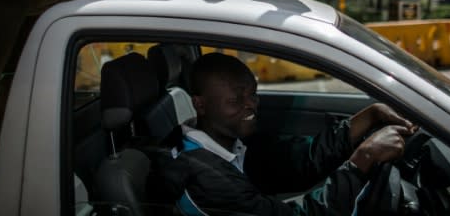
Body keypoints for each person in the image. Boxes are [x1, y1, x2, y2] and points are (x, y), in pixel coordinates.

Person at [159, 52, 418, 215]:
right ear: (200, 104)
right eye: (236, 99)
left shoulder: (228, 142)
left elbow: (301, 159)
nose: (250, 104)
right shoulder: (204, 177)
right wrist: (363, 159)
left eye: (252, 94)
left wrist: (369, 117)